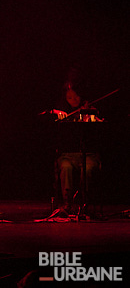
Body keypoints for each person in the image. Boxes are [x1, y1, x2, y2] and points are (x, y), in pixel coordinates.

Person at [50, 83, 102, 212]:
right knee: (66, 167)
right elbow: (46, 112)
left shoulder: (89, 110)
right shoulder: (63, 112)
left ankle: (84, 202)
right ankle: (67, 202)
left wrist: (93, 118)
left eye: (76, 96)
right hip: (68, 155)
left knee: (88, 168)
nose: (74, 100)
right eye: (70, 98)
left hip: (88, 155)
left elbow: (100, 128)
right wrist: (56, 113)